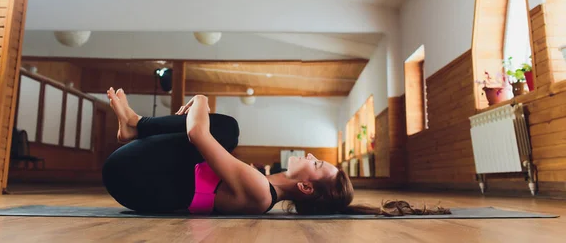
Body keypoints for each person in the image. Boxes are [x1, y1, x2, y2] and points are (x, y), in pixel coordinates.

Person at [102, 88, 450, 216]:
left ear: (306, 187)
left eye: (317, 164)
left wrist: (202, 99)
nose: (312, 156)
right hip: (138, 181)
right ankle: (133, 127)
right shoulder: (262, 186)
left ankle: (135, 125)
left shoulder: (258, 191)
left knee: (225, 130)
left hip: (135, 177)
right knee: (223, 133)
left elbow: (196, 132)